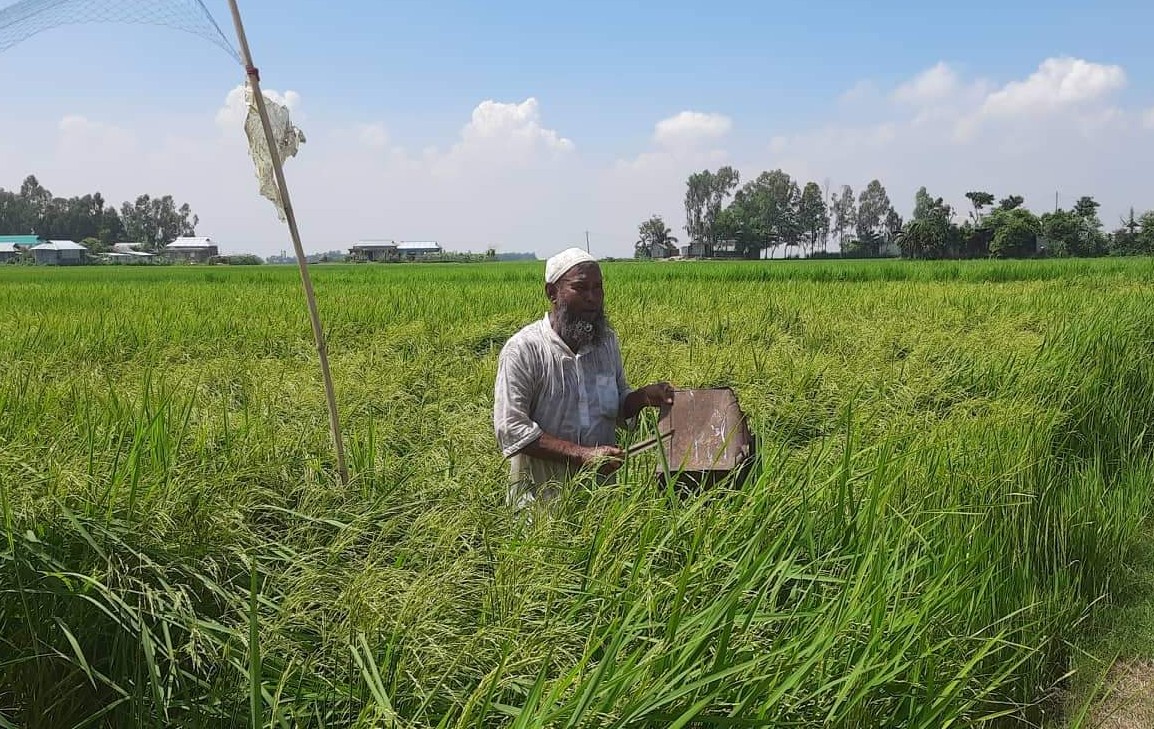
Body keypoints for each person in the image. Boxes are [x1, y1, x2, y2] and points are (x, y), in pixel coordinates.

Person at [493, 247, 674, 511]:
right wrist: (583, 455)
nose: (593, 298)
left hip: (601, 499)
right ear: (552, 293)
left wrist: (645, 397)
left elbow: (617, 404)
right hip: (541, 504)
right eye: (581, 288)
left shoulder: (606, 343)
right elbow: (511, 428)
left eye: (598, 288)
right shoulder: (524, 349)